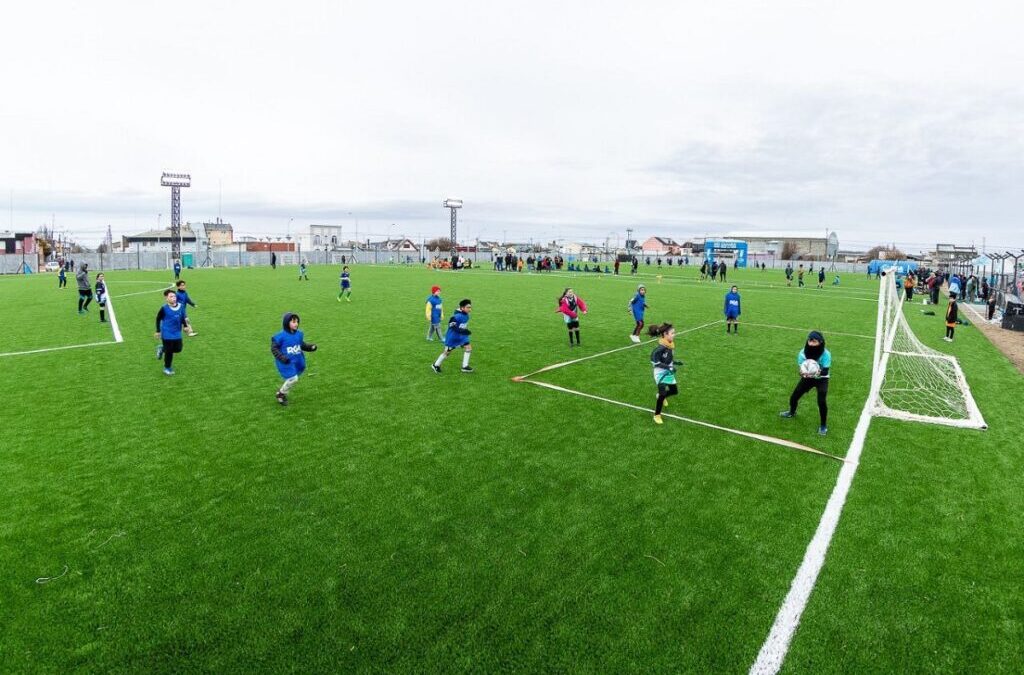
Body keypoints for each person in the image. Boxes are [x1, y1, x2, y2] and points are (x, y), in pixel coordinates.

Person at [779, 331, 831, 435]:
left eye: (814, 341)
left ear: (820, 342)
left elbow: (825, 370)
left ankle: (823, 425)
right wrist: (803, 374)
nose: (811, 344)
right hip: (808, 378)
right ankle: (791, 412)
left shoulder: (826, 354)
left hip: (822, 379)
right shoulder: (802, 353)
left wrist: (816, 372)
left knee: (821, 401)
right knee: (794, 397)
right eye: (809, 341)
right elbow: (801, 369)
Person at [271, 312, 318, 405]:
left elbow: (301, 345)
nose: (296, 324)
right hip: (285, 362)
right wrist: (282, 357)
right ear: (286, 323)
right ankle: (281, 394)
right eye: (293, 322)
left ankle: (281, 393)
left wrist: (310, 347)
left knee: (293, 377)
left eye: (297, 321)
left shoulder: (299, 334)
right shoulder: (280, 336)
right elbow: (274, 348)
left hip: (296, 360)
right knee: (293, 378)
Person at [649, 323, 682, 425]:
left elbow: (668, 359)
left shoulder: (670, 345)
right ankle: (657, 415)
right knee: (663, 393)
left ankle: (660, 396)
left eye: (674, 333)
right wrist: (669, 367)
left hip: (668, 371)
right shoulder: (660, 348)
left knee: (674, 391)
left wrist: (675, 362)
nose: (674, 335)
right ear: (665, 334)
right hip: (660, 373)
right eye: (672, 333)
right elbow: (655, 362)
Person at [432, 299, 474, 374]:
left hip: (462, 337)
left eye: (470, 307)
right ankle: (436, 365)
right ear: (462, 308)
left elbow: (462, 325)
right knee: (447, 353)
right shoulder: (456, 316)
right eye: (468, 307)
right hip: (453, 337)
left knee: (468, 348)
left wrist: (464, 331)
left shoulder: (466, 315)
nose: (470, 309)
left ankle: (465, 366)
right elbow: (452, 326)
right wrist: (463, 331)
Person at [154, 289, 187, 376]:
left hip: (177, 332)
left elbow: (182, 317)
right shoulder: (164, 308)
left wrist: (186, 326)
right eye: (171, 296)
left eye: (174, 296)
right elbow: (158, 318)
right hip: (167, 333)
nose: (174, 298)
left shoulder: (181, 306)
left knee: (178, 349)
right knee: (169, 352)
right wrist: (158, 331)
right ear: (166, 298)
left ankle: (161, 348)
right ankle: (167, 368)